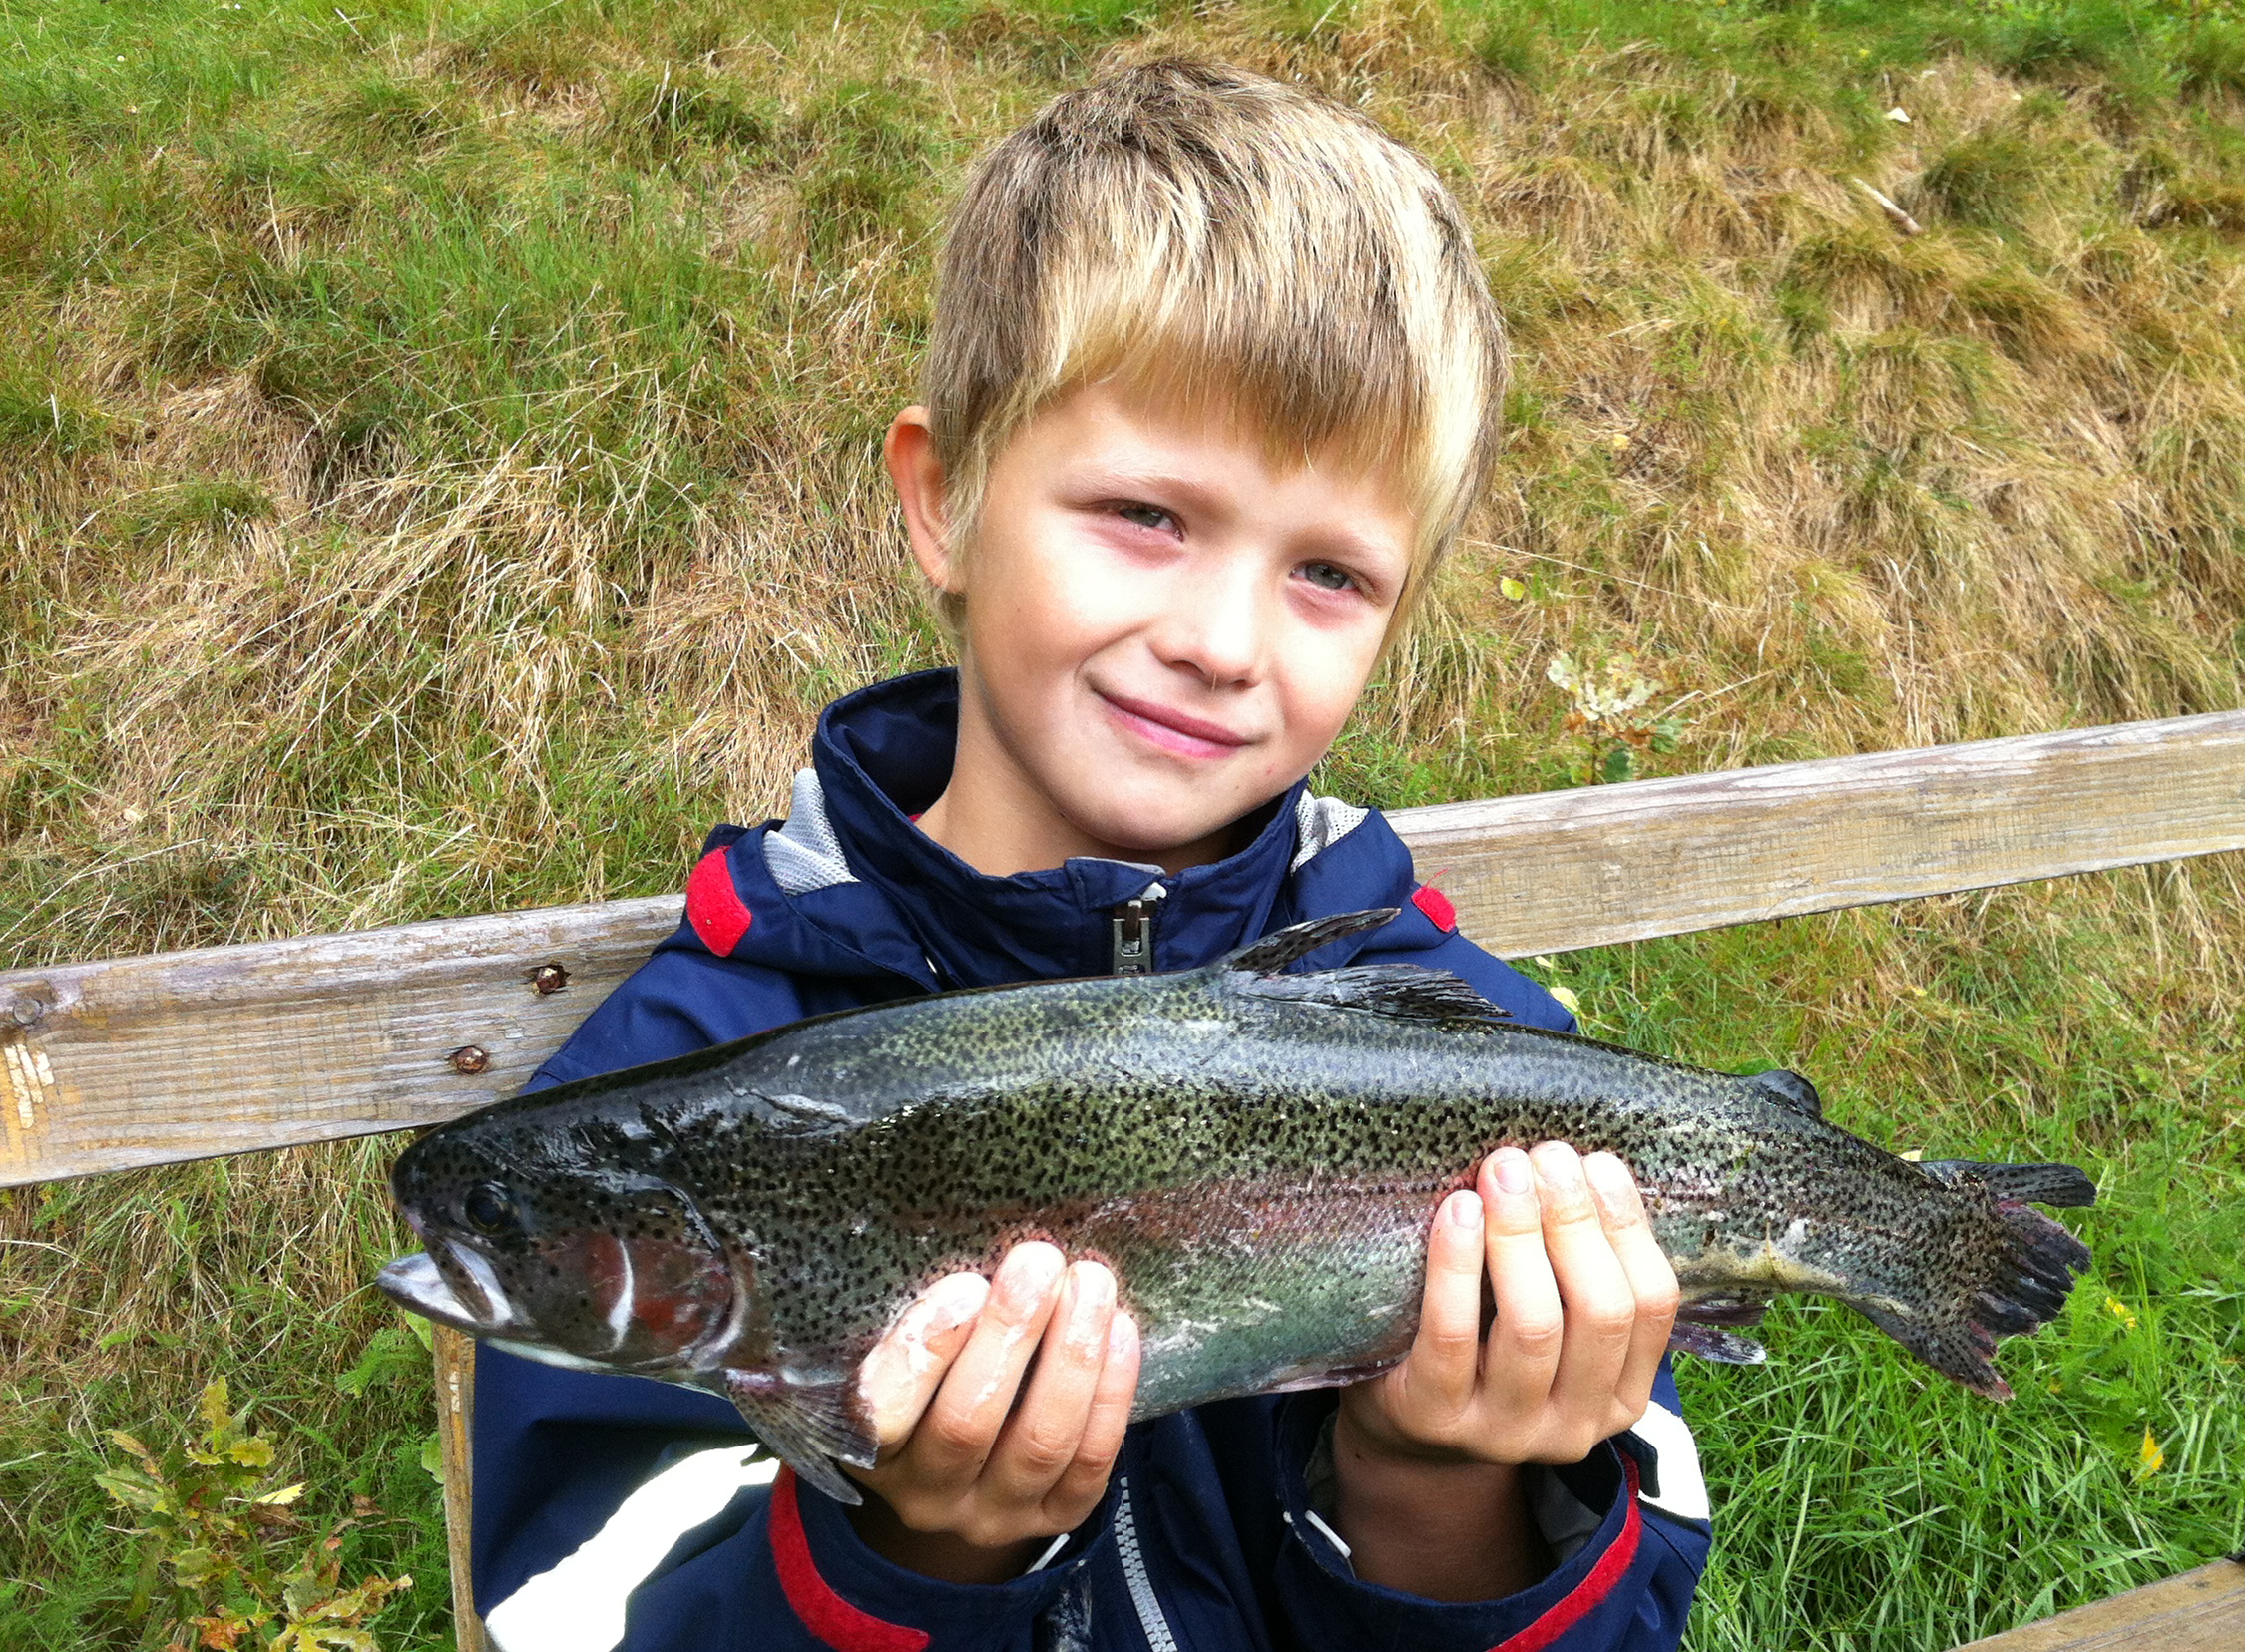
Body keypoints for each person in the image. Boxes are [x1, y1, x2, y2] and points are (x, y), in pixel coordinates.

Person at [468, 57, 1710, 1652]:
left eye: (1328, 572)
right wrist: (915, 1554)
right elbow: (571, 1621)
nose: (1217, 641)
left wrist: (1435, 1492)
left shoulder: (1487, 1068)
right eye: (1144, 513)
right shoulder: (686, 1082)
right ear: (944, 501)